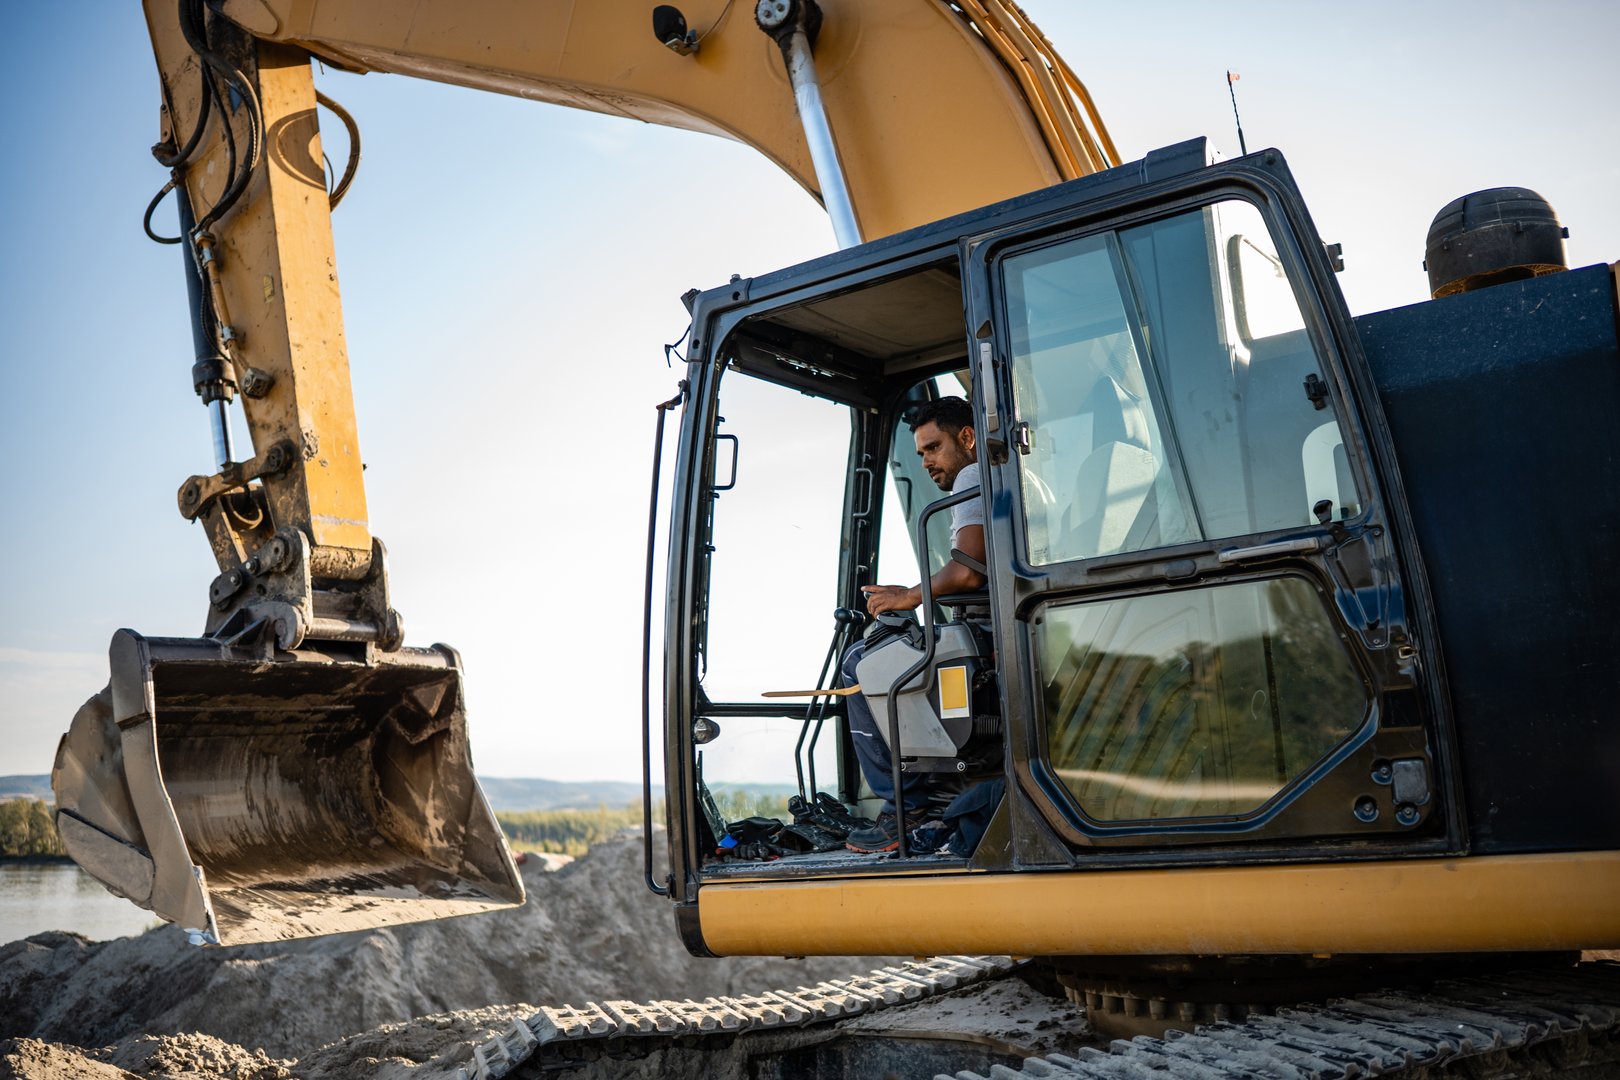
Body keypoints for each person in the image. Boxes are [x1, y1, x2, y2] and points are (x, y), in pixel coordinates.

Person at [843, 396, 987, 853]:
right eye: (920, 452)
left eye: (933, 447)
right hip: (992, 629)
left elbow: (969, 570)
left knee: (859, 665)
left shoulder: (975, 475)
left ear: (967, 438)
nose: (926, 461)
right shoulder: (1011, 480)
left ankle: (905, 805)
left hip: (986, 636)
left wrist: (907, 596)